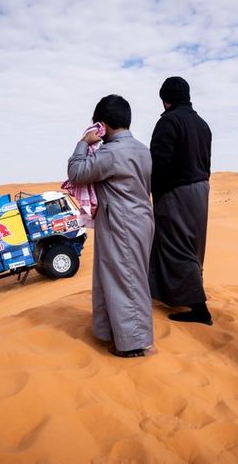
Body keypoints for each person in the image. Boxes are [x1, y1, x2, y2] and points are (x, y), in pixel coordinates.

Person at [67, 94, 156, 357]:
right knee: (118, 277)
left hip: (122, 223)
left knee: (126, 280)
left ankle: (135, 345)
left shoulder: (111, 153)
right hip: (138, 220)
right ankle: (114, 332)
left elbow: (77, 172)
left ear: (101, 125)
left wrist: (83, 143)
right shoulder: (142, 149)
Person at [149, 76, 213, 325]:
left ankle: (200, 310)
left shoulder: (168, 122)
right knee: (193, 246)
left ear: (165, 101)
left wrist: (156, 193)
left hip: (177, 193)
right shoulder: (202, 124)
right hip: (201, 190)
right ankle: (186, 296)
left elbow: (159, 165)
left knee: (177, 246)